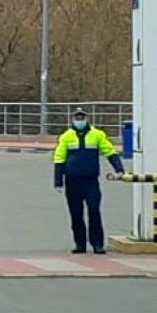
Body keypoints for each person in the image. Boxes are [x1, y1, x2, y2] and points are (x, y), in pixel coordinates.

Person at [53, 107, 124, 254]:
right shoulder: (66, 136)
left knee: (94, 210)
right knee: (76, 214)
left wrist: (119, 168)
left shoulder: (97, 135)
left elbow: (110, 151)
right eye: (77, 118)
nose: (80, 120)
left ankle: (97, 244)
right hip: (72, 182)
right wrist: (58, 181)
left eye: (82, 117)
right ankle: (80, 244)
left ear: (87, 119)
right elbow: (59, 159)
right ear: (73, 119)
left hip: (90, 181)